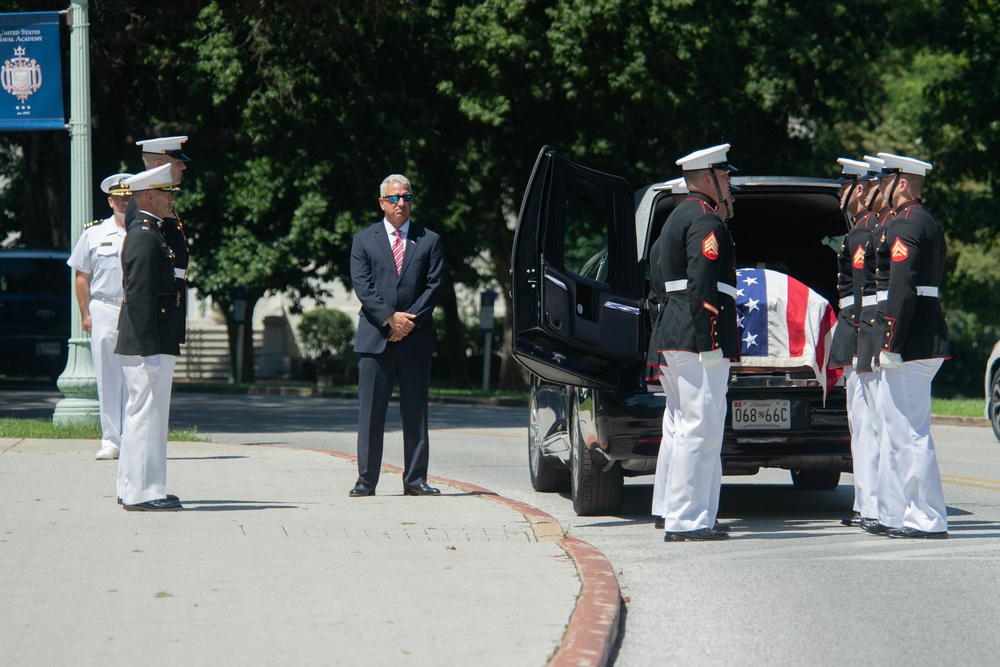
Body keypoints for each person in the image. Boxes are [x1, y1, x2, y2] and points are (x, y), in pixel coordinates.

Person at [648, 144, 739, 542]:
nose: (730, 183)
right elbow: (703, 285)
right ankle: (687, 519)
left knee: (679, 425)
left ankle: (669, 506)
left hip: (674, 331)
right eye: (725, 176)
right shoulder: (705, 220)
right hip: (696, 337)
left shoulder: (674, 218)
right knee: (699, 427)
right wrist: (711, 341)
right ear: (708, 178)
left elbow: (657, 278)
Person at [348, 174, 444, 497]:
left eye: (406, 197)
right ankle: (366, 479)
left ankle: (415, 479)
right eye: (394, 198)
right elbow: (363, 285)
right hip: (376, 338)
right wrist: (390, 319)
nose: (401, 203)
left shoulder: (429, 240)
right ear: (382, 203)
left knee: (415, 412)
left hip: (415, 340)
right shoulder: (364, 240)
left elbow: (432, 287)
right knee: (371, 414)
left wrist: (407, 323)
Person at [870, 152, 949, 539]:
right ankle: (903, 513)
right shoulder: (926, 221)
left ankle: (928, 517)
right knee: (902, 429)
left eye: (885, 182)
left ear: (902, 183)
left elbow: (902, 289)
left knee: (910, 432)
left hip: (911, 340)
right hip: (922, 334)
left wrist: (890, 342)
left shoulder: (906, 224)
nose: (879, 189)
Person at [114, 164, 184, 511]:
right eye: (167, 194)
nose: (172, 200)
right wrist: (148, 350)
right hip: (148, 341)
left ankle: (136, 486)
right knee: (146, 416)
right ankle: (143, 492)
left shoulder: (150, 232)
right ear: (150, 196)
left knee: (143, 414)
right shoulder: (144, 236)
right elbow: (139, 296)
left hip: (151, 338)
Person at [67, 173, 133, 461]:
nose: (123, 201)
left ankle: (134, 437)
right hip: (105, 307)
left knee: (136, 376)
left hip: (136, 308)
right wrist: (85, 312)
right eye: (118, 198)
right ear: (109, 201)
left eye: (128, 197)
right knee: (107, 376)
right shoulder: (93, 234)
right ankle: (111, 440)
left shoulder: (145, 229)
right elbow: (82, 275)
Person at [827, 157, 871, 526]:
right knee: (863, 426)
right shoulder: (862, 231)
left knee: (867, 425)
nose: (840, 193)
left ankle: (871, 504)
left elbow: (865, 296)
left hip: (863, 335)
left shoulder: (863, 234)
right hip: (859, 333)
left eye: (845, 187)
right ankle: (869, 503)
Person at [129, 136, 191, 345]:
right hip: (157, 307)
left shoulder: (160, 203)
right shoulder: (141, 206)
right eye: (177, 161)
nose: (183, 166)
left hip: (168, 303)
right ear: (159, 164)